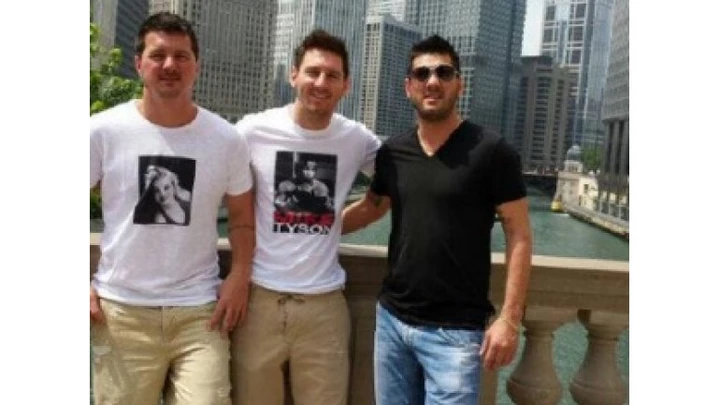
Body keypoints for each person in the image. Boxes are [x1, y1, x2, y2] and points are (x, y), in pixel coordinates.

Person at [342, 34, 533, 404]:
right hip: (392, 322)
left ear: (459, 84)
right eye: (422, 73)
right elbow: (372, 206)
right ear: (408, 86)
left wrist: (510, 319)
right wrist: (312, 229)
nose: (432, 81)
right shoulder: (393, 152)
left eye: (444, 73)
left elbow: (519, 234)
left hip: (456, 334)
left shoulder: (492, 151)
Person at [89, 12, 255, 405]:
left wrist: (239, 276)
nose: (169, 65)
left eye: (181, 56)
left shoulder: (227, 139)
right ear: (138, 64)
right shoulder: (101, 131)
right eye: (158, 55)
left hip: (200, 312)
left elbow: (242, 220)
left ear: (196, 65)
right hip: (121, 312)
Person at [232, 29, 382, 405]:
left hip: (325, 308)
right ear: (293, 75)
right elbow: (214, 182)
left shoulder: (357, 139)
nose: (321, 83)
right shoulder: (252, 130)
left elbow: (394, 187)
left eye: (332, 75)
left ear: (346, 85)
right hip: (258, 301)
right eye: (313, 72)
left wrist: (336, 223)